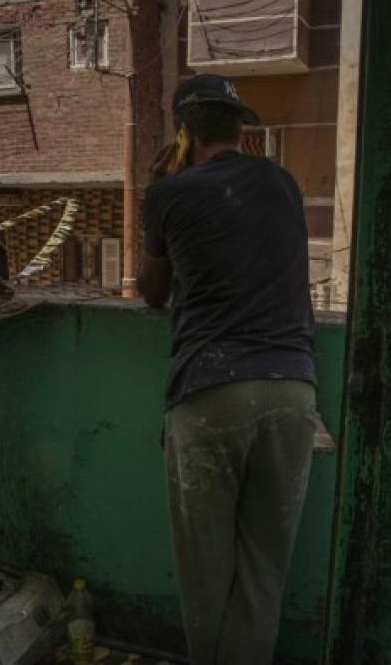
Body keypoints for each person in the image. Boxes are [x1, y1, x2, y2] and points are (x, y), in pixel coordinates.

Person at [138, 74, 319, 665]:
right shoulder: (285, 184)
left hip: (210, 391)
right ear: (242, 129)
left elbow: (151, 294)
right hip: (293, 393)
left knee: (206, 575)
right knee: (264, 573)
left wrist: (161, 189)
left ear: (184, 131)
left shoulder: (170, 193)